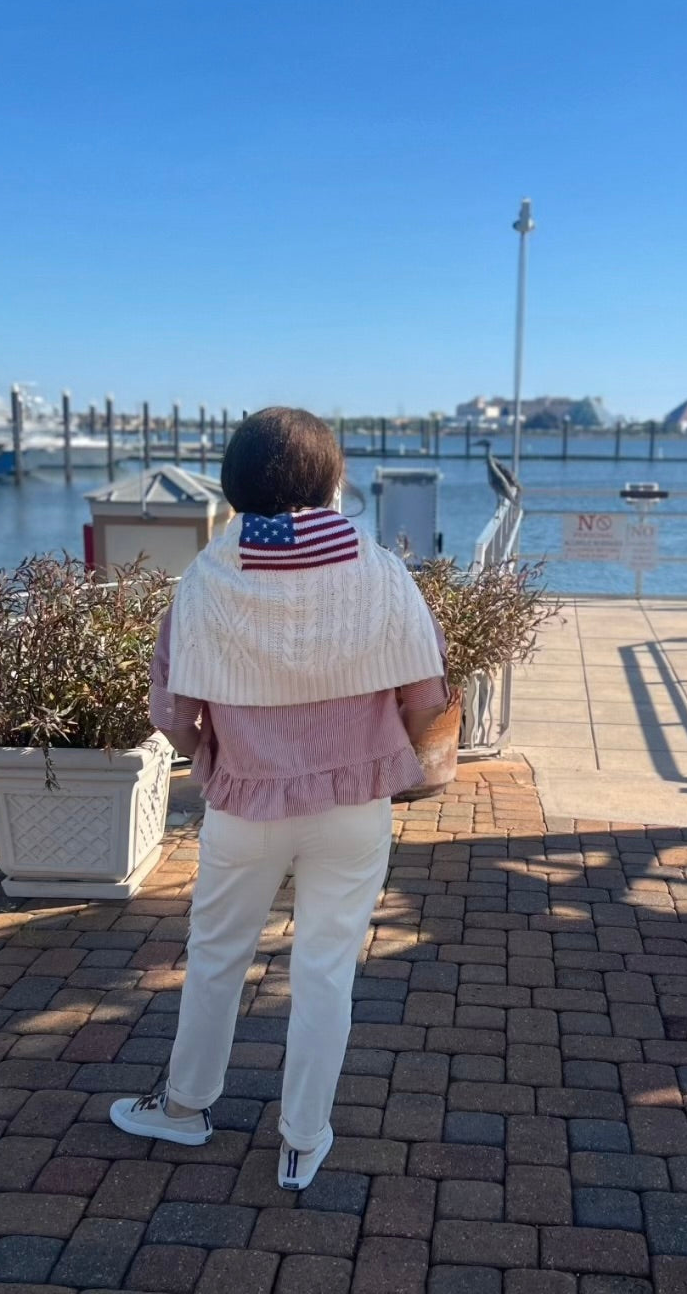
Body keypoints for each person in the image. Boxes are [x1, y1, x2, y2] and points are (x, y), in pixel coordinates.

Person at [110, 407, 448, 1189]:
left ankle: (186, 1106)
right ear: (332, 484)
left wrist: (214, 758)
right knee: (325, 967)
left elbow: (171, 713)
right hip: (354, 800)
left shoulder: (207, 575)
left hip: (242, 803)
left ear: (235, 487)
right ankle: (302, 1138)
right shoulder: (380, 572)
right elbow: (423, 697)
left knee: (215, 955)